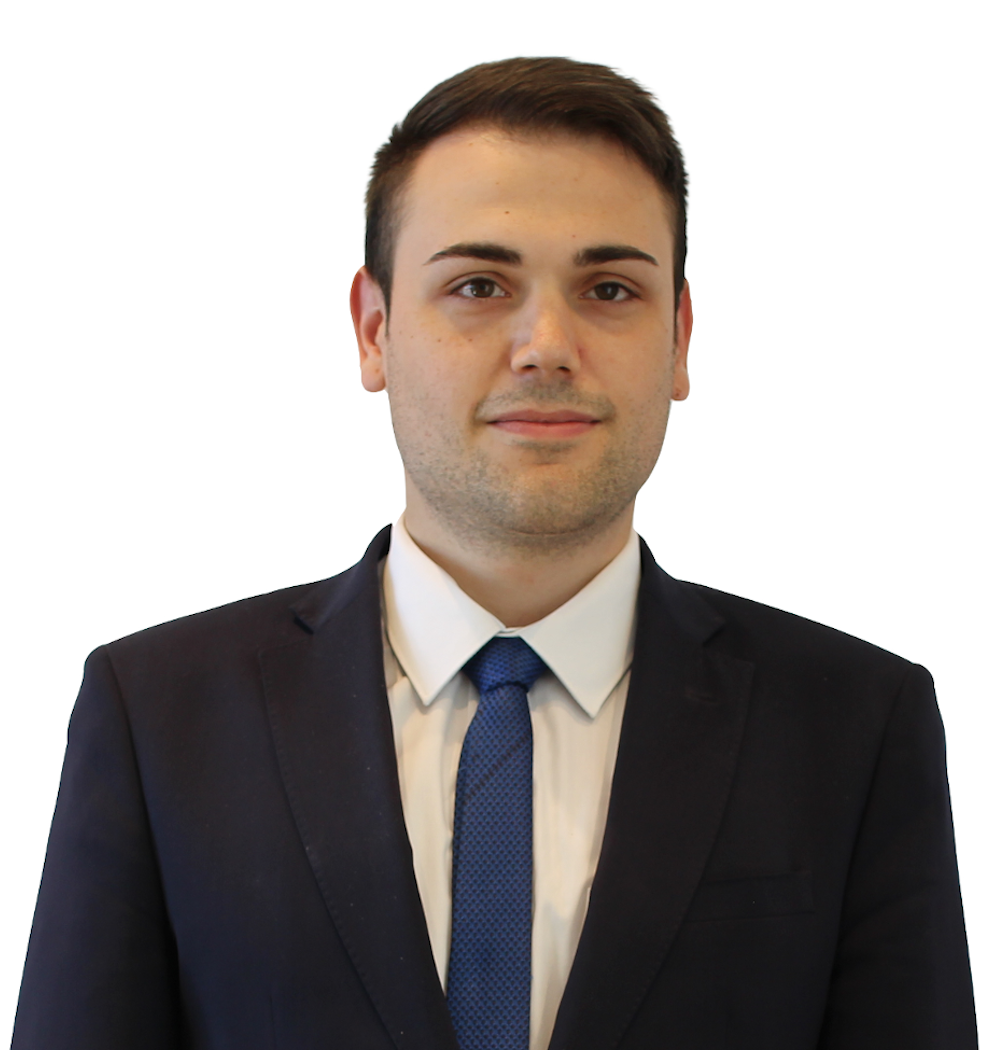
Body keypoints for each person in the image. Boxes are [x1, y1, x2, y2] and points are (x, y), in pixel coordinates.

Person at [12, 57, 977, 1050]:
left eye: (609, 288)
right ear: (375, 329)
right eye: (479, 285)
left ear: (680, 338)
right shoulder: (159, 714)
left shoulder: (855, 726)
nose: (545, 343)